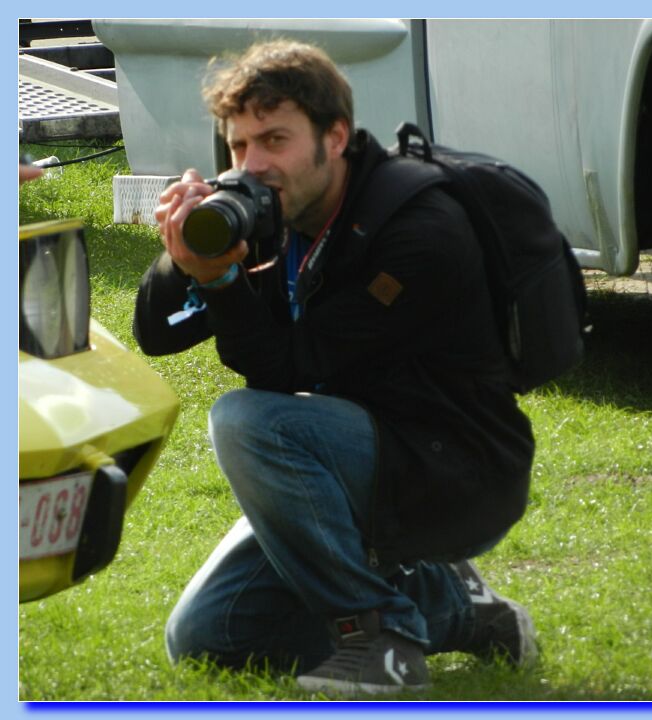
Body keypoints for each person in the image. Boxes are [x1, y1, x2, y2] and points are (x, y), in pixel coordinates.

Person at [134, 39, 537, 695]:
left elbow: (289, 365)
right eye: (238, 146)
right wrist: (184, 258)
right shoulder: (281, 209)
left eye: (274, 140)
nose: (253, 165)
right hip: (357, 457)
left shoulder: (416, 226)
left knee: (248, 422)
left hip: (456, 469)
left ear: (336, 135)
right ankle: (460, 609)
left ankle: (381, 640)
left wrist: (226, 282)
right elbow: (157, 335)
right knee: (209, 637)